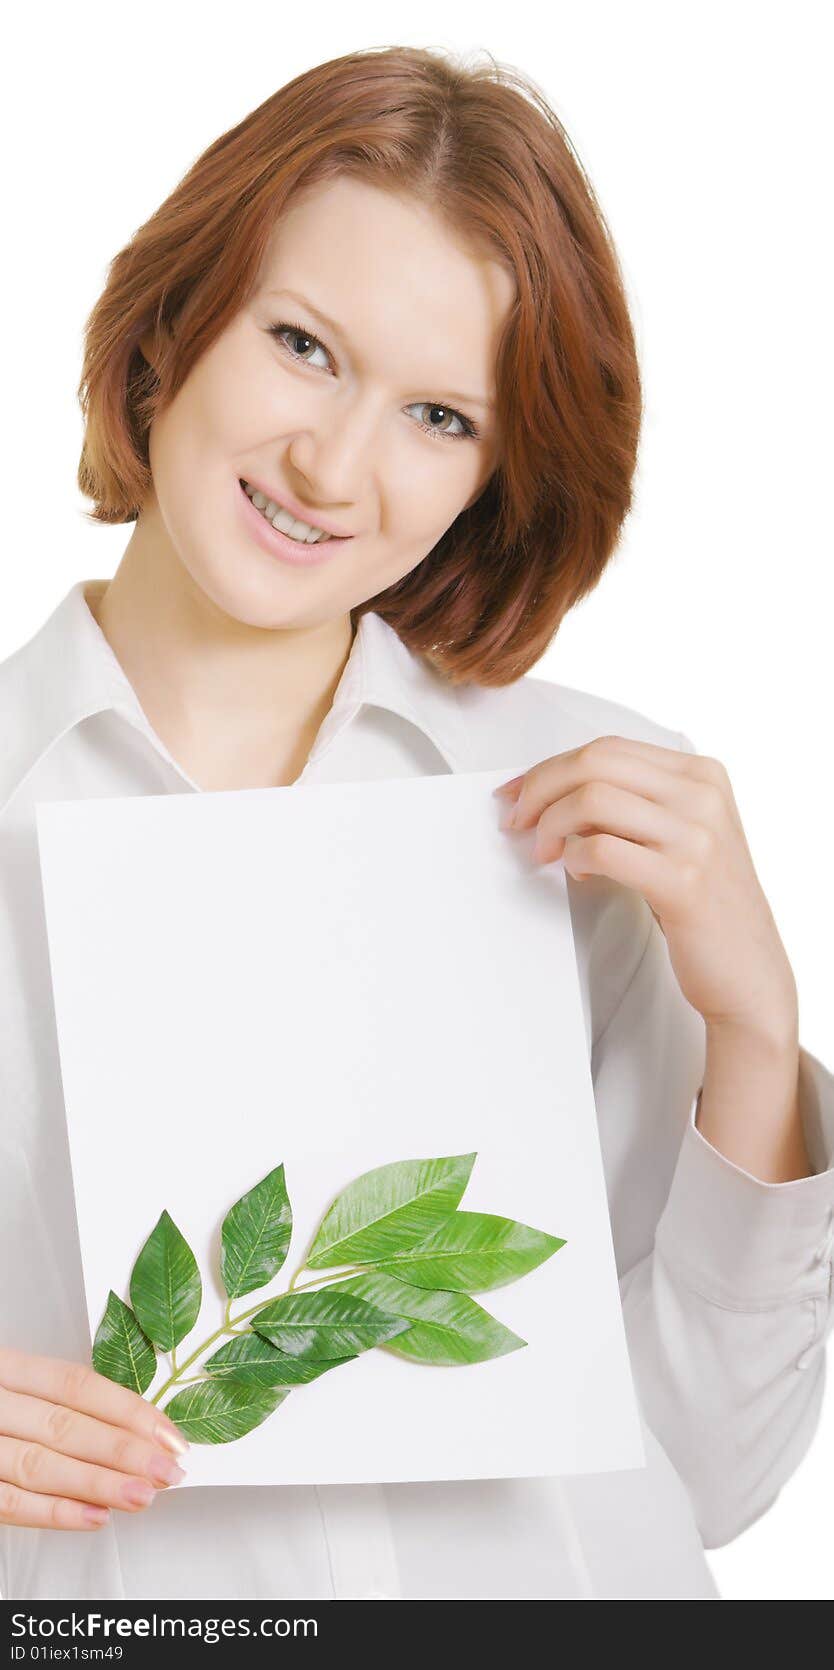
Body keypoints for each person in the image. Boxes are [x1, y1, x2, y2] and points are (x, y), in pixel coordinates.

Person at [1, 44, 832, 1603]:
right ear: (177, 325)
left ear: (497, 475)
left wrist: (752, 1023)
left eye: (439, 414)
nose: (332, 466)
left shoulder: (596, 807)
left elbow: (709, 1474)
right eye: (303, 344)